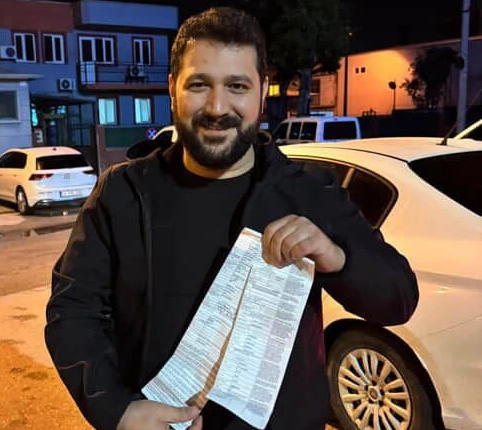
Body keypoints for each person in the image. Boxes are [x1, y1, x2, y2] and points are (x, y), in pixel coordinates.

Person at [45, 7, 418, 430]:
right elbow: (72, 313)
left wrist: (337, 257)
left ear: (261, 93)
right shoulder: (121, 194)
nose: (217, 107)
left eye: (237, 86)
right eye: (199, 85)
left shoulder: (310, 193)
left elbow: (399, 298)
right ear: (172, 89)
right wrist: (117, 410)